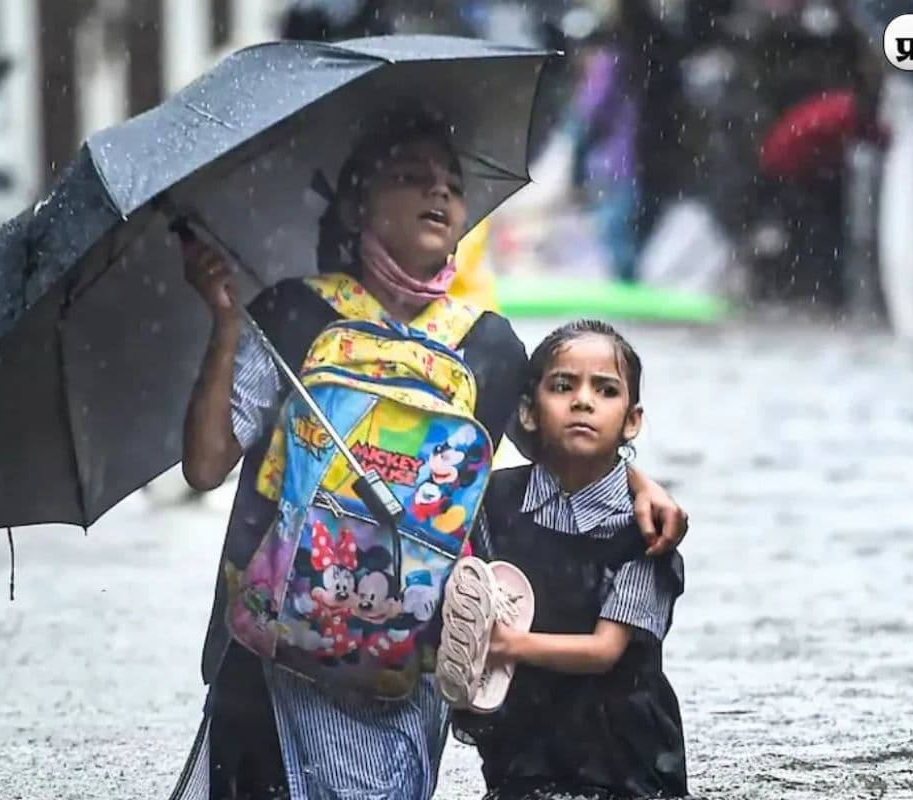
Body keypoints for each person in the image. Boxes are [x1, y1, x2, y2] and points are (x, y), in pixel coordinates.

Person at [169, 106, 689, 800]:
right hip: (272, 659)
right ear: (358, 204)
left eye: (452, 184)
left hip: (407, 664)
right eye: (412, 177)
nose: (438, 192)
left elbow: (569, 450)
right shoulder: (293, 317)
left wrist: (640, 485)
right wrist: (226, 323)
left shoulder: (488, 346)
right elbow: (205, 466)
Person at [447, 319, 687, 800]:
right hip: (524, 751)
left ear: (632, 421)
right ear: (528, 411)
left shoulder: (643, 532)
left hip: (624, 761)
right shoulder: (492, 501)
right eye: (562, 386)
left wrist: (503, 645)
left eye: (605, 390)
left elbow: (604, 651)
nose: (583, 401)